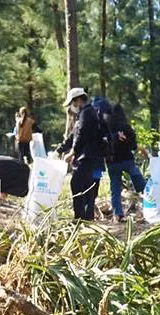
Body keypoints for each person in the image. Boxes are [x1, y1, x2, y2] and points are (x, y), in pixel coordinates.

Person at [63, 88, 101, 220]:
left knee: (76, 184)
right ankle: (87, 217)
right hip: (88, 156)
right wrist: (60, 150)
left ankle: (80, 218)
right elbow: (74, 135)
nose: (73, 106)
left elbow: (81, 134)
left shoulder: (86, 113)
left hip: (86, 156)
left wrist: (73, 152)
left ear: (79, 99)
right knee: (86, 186)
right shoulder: (87, 113)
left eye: (73, 103)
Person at [107, 104, 146, 221]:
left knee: (115, 189)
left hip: (112, 162)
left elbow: (104, 141)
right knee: (139, 180)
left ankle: (117, 214)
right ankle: (150, 199)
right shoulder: (126, 127)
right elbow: (133, 146)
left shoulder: (108, 128)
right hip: (127, 160)